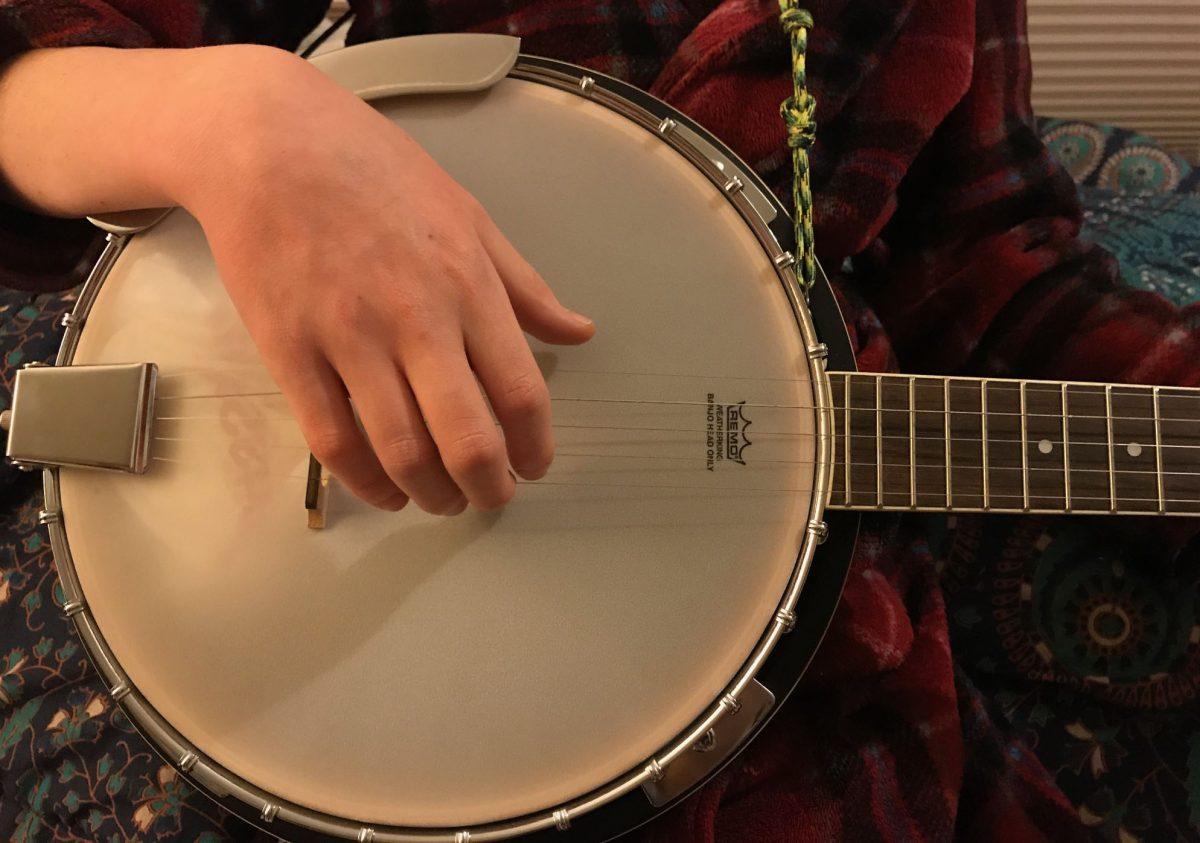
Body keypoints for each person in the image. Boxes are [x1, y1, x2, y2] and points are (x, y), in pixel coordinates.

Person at [1, 1, 1197, 841]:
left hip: (790, 594)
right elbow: (30, 83)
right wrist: (234, 118)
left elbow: (983, 264)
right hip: (282, 502)